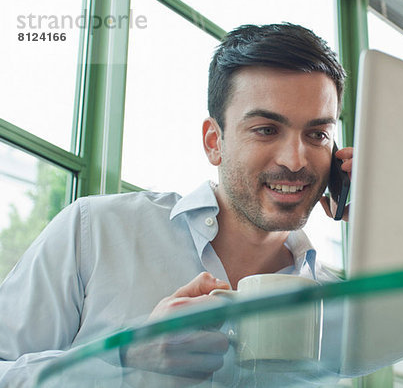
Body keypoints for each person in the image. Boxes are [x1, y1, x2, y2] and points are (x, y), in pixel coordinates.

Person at [0, 23, 353, 386]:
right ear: (214, 141)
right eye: (266, 129)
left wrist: (380, 218)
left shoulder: (340, 305)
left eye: (317, 135)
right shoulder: (94, 230)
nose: (295, 161)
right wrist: (125, 356)